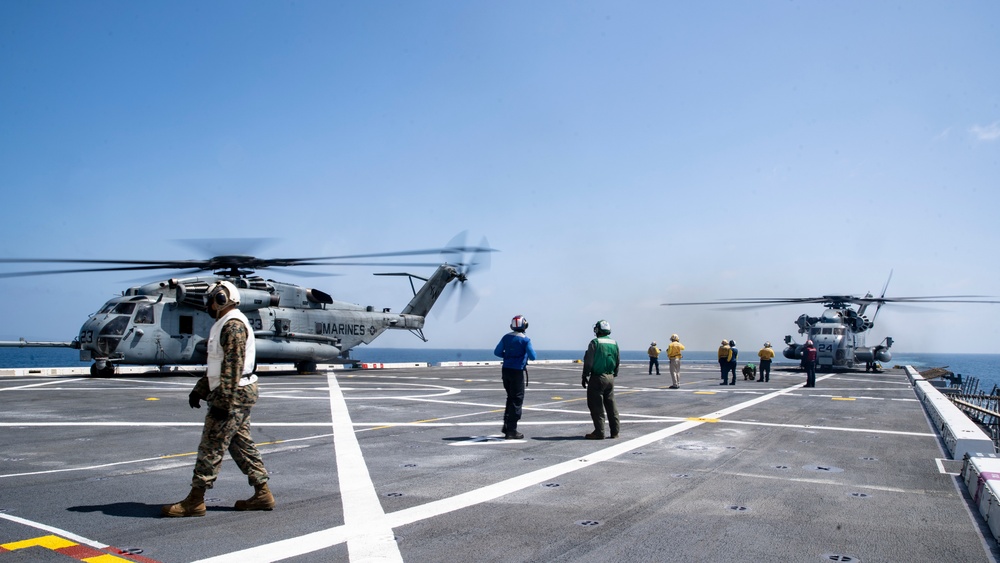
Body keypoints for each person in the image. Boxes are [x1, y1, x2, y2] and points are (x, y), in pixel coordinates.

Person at [162, 280, 274, 517]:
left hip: (233, 393)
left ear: (222, 299)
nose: (208, 303)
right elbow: (217, 363)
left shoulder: (232, 325)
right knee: (240, 444)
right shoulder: (223, 323)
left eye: (212, 298)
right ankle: (262, 493)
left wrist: (223, 401)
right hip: (236, 391)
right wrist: (201, 388)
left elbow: (233, 366)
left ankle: (195, 500)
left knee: (211, 445)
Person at [493, 315, 536, 440]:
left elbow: (497, 352)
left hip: (506, 370)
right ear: (524, 326)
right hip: (517, 372)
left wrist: (508, 356)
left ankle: (507, 426)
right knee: (517, 400)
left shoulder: (506, 337)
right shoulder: (525, 340)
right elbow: (533, 356)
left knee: (510, 398)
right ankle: (511, 430)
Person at [581, 320, 620, 440]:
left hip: (598, 377)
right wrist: (614, 374)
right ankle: (615, 431)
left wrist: (585, 375)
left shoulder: (595, 343)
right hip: (610, 377)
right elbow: (617, 360)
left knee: (596, 405)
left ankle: (599, 432)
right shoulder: (614, 343)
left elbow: (589, 361)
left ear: (598, 330)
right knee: (611, 405)